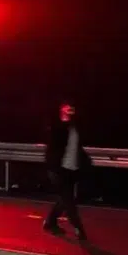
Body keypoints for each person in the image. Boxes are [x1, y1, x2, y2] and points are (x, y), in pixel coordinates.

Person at [43, 101, 89, 240]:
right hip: (58, 169)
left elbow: (77, 148)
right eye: (67, 108)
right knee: (69, 200)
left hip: (71, 169)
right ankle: (79, 228)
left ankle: (50, 222)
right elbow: (51, 149)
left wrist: (85, 162)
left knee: (64, 199)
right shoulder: (56, 127)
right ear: (61, 110)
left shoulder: (75, 127)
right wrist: (52, 167)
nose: (70, 110)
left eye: (72, 108)